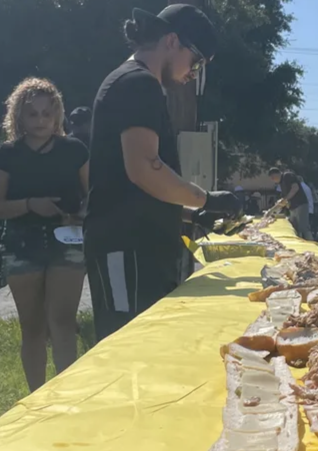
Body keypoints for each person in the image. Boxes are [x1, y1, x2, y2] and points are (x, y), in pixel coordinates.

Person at [84, 5, 241, 344]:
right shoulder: (138, 83)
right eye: (196, 61)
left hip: (139, 246)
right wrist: (205, 199)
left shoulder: (136, 82)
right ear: (172, 41)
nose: (193, 73)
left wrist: (185, 211)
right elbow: (143, 168)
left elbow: (130, 183)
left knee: (149, 350)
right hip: (126, 247)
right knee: (126, 349)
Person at [0, 78, 90, 392]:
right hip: (21, 242)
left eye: (47, 113)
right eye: (33, 114)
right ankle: (37, 396)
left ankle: (65, 395)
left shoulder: (75, 150)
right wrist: (31, 205)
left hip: (68, 240)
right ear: (19, 116)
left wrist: (80, 213)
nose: (41, 121)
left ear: (58, 115)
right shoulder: (6, 154)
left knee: (62, 321)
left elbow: (93, 196)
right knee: (31, 326)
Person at [268, 168, 313, 240]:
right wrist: (271, 210)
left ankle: (312, 244)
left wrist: (286, 199)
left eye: (273, 178)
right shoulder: (281, 183)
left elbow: (295, 188)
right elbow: (283, 200)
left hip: (300, 204)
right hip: (293, 207)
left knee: (304, 227)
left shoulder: (287, 176)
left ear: (276, 174)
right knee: (294, 228)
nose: (273, 180)